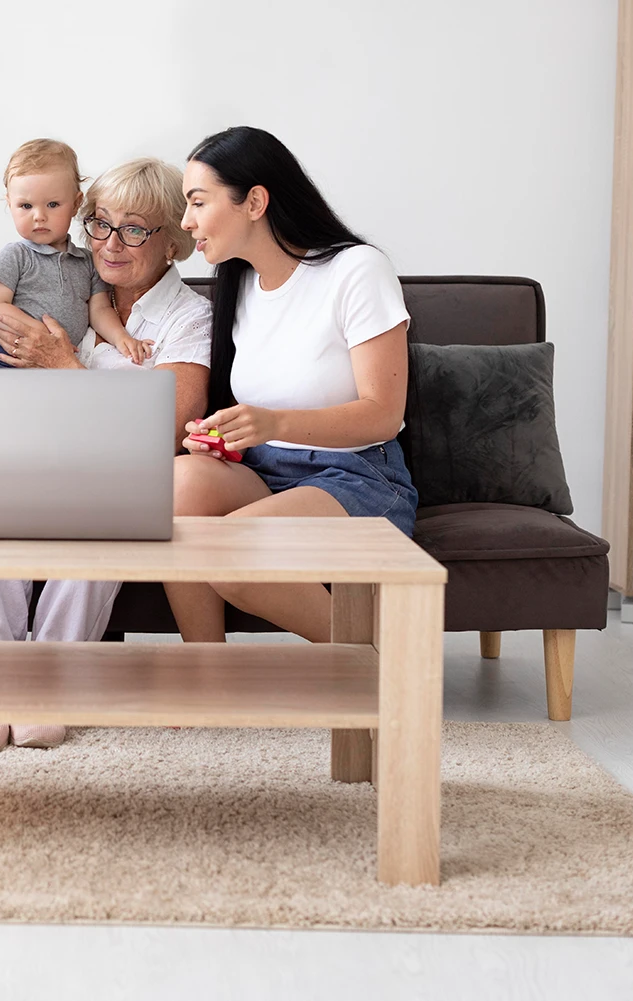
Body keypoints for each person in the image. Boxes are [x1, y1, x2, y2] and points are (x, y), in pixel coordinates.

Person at [0, 157, 212, 753]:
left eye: (134, 229)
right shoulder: (67, 293)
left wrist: (67, 368)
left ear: (173, 242)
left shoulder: (189, 318)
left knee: (112, 514)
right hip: (43, 461)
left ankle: (50, 686)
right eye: (99, 223)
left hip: (122, 476)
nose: (110, 242)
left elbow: (166, 428)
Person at [164, 126, 417, 644]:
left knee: (227, 548)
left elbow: (383, 413)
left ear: (254, 201)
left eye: (197, 202)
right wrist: (221, 437)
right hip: (264, 471)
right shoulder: (240, 286)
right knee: (175, 484)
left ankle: (371, 658)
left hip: (355, 475)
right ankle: (206, 675)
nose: (187, 222)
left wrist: (273, 422)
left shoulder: (356, 270)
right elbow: (259, 421)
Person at [0, 139, 149, 368]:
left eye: (52, 204)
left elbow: (99, 310)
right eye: (26, 206)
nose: (39, 216)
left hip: (62, 361)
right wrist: (38, 334)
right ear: (10, 204)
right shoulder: (16, 255)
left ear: (76, 204)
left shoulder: (87, 261)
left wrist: (122, 338)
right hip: (13, 355)